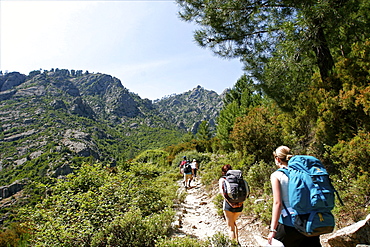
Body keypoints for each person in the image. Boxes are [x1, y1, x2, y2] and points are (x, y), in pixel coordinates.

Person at [267, 146, 322, 247]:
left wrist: (273, 229)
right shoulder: (304, 173)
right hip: (310, 221)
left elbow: (277, 203)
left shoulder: (277, 175)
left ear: (277, 159)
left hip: (289, 224)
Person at [219, 164, 243, 243]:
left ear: (223, 172)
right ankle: (237, 241)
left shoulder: (222, 179)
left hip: (228, 205)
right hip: (240, 205)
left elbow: (222, 193)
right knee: (234, 222)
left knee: (230, 227)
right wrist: (241, 202)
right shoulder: (238, 178)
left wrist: (230, 203)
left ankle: (233, 244)